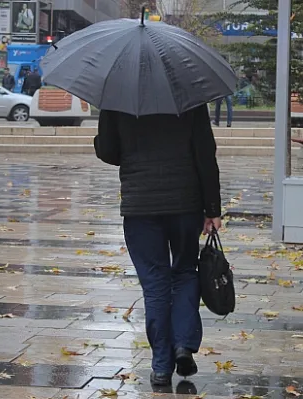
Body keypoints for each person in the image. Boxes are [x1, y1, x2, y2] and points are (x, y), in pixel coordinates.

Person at [94, 104, 222, 387]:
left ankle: (161, 366)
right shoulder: (188, 97)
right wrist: (212, 207)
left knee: (155, 284)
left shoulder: (117, 97)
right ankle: (184, 345)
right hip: (185, 202)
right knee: (186, 272)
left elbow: (107, 151)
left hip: (141, 205)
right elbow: (205, 151)